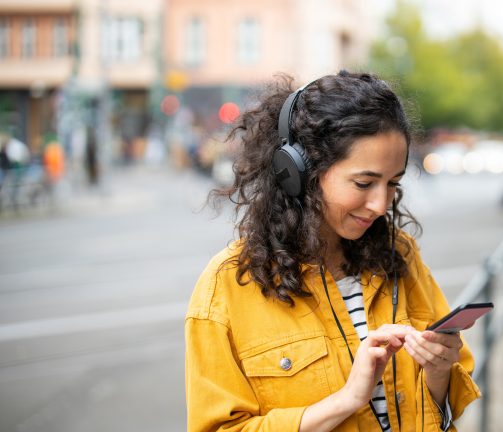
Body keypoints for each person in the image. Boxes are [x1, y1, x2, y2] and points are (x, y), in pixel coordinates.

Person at [185, 71, 481, 432]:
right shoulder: (226, 287)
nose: (380, 205)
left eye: (393, 183)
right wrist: (346, 401)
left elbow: (443, 408)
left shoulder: (400, 254)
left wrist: (438, 372)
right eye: (364, 183)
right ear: (300, 171)